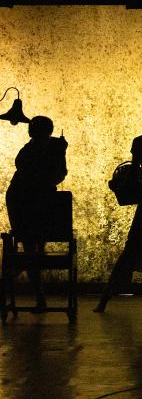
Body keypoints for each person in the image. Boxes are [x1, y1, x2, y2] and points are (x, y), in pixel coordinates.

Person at [94, 97, 142, 313]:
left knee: (132, 250)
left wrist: (118, 186)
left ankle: (106, 297)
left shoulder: (141, 142)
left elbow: (133, 176)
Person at [6, 116, 67, 311]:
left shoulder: (28, 153)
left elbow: (53, 175)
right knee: (33, 248)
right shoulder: (52, 149)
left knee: (31, 248)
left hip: (23, 200)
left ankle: (20, 286)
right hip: (29, 201)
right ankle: (37, 296)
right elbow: (56, 175)